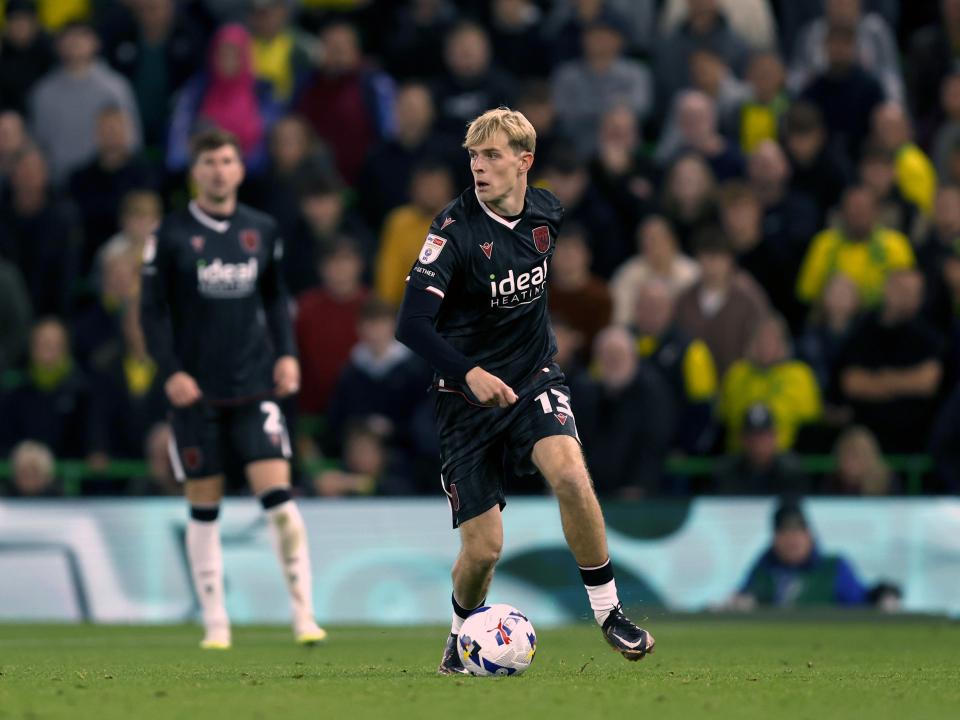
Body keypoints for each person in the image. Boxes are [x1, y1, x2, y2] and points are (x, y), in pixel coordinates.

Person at [394, 108, 655, 674]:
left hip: (534, 375)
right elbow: (410, 325)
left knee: (568, 473)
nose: (479, 167)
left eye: (491, 156)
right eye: (473, 156)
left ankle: (610, 613)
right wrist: (468, 371)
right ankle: (461, 634)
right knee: (484, 550)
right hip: (463, 400)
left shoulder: (548, 212)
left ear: (523, 162)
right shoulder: (453, 232)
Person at [139, 128, 324, 649]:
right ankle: (216, 622)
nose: (219, 170)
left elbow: (274, 298)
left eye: (227, 160)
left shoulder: (262, 229)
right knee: (204, 505)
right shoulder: (171, 235)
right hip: (195, 393)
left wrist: (286, 354)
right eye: (209, 161)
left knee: (281, 501)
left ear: (240, 169)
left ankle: (303, 615)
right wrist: (171, 370)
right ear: (195, 172)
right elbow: (151, 313)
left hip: (254, 386)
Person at [730, 500, 870, 608]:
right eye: (785, 533)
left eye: (797, 532)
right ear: (775, 539)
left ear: (809, 535)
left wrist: (883, 593)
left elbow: (862, 601)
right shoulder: (764, 567)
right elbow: (745, 596)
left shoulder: (834, 567)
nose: (792, 540)